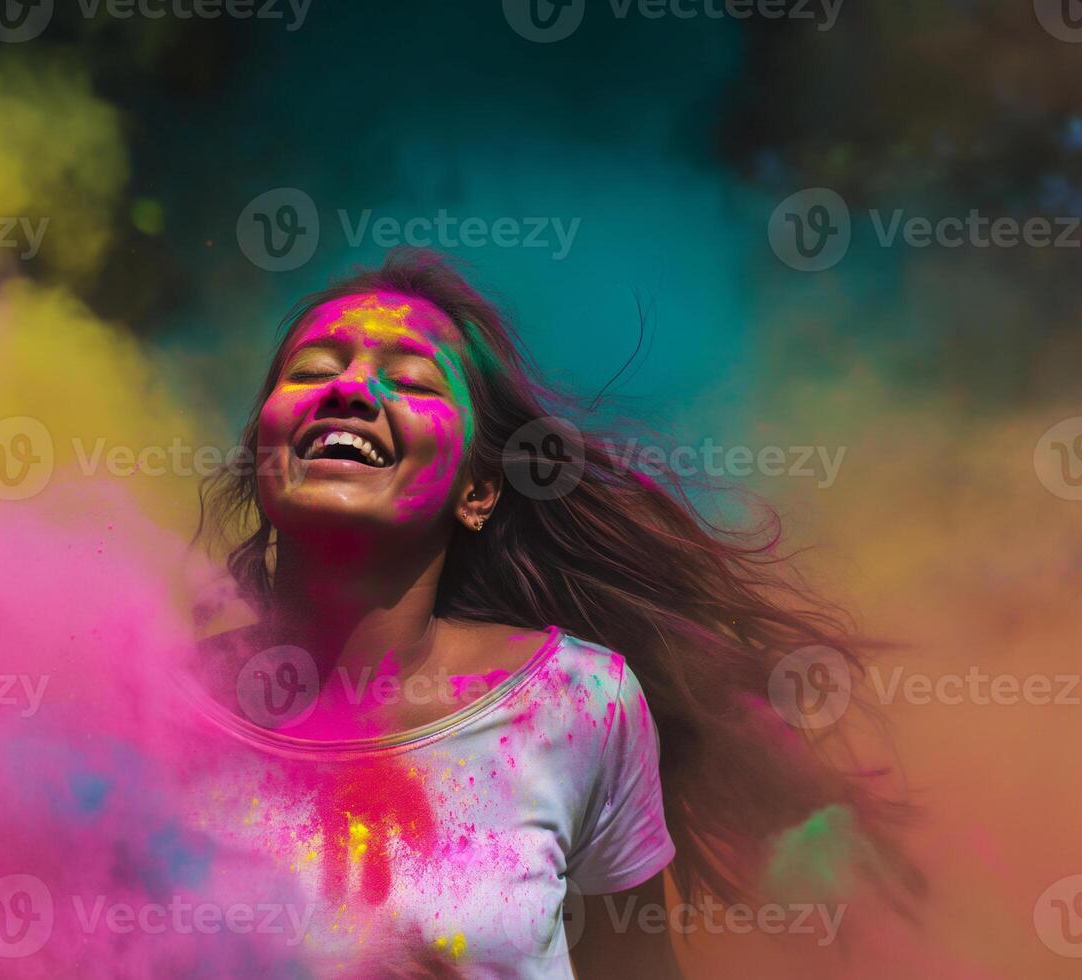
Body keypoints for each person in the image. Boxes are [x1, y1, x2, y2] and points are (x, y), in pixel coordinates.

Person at [190, 248, 918, 977]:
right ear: (261, 454)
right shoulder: (152, 708)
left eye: (411, 380)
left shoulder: (578, 704)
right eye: (313, 370)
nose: (347, 390)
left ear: (477, 491)